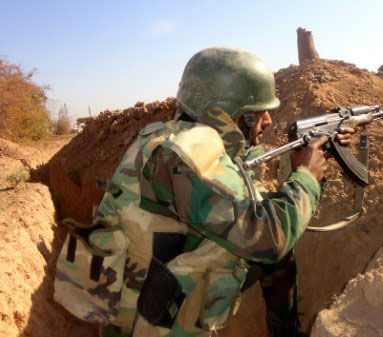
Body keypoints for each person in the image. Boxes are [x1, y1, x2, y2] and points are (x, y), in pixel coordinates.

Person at [95, 47, 357, 337]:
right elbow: (269, 238)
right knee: (270, 246)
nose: (268, 120)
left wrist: (308, 156)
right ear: (230, 114)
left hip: (142, 290)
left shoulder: (172, 136)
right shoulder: (184, 157)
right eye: (258, 112)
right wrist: (307, 177)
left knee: (275, 245)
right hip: (147, 321)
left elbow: (249, 199)